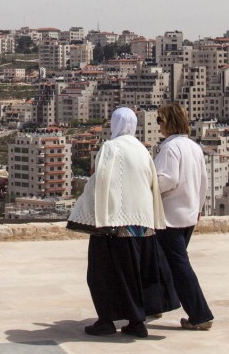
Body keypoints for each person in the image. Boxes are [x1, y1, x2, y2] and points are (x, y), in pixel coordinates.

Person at [67, 107, 178, 338]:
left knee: (102, 275)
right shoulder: (141, 149)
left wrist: (87, 205)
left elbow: (102, 179)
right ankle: (137, 322)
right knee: (135, 276)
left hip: (114, 225)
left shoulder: (111, 147)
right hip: (143, 223)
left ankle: (106, 321)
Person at [154, 103, 215, 331]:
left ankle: (200, 314)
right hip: (188, 214)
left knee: (179, 267)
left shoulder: (169, 149)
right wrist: (197, 207)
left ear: (168, 121)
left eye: (160, 120)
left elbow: (166, 179)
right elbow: (203, 181)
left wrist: (144, 186)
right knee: (166, 264)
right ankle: (155, 304)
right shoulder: (193, 147)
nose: (158, 125)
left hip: (169, 217)